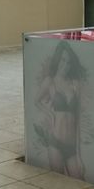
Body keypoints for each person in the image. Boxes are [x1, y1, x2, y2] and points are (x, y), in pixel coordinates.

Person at [34, 41, 86, 179]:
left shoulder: (75, 85)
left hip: (72, 147)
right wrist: (49, 114)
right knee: (58, 183)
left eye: (68, 62)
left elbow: (78, 120)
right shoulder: (50, 82)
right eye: (62, 60)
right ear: (57, 60)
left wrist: (78, 154)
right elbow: (36, 101)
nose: (65, 65)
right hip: (55, 143)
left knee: (79, 180)